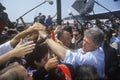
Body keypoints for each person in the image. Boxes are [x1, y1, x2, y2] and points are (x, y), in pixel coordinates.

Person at [32, 22, 105, 79]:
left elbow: (69, 56)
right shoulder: (97, 49)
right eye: (84, 40)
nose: (83, 44)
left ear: (97, 45)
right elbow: (76, 52)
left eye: (87, 43)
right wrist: (62, 45)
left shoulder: (93, 58)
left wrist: (45, 37)